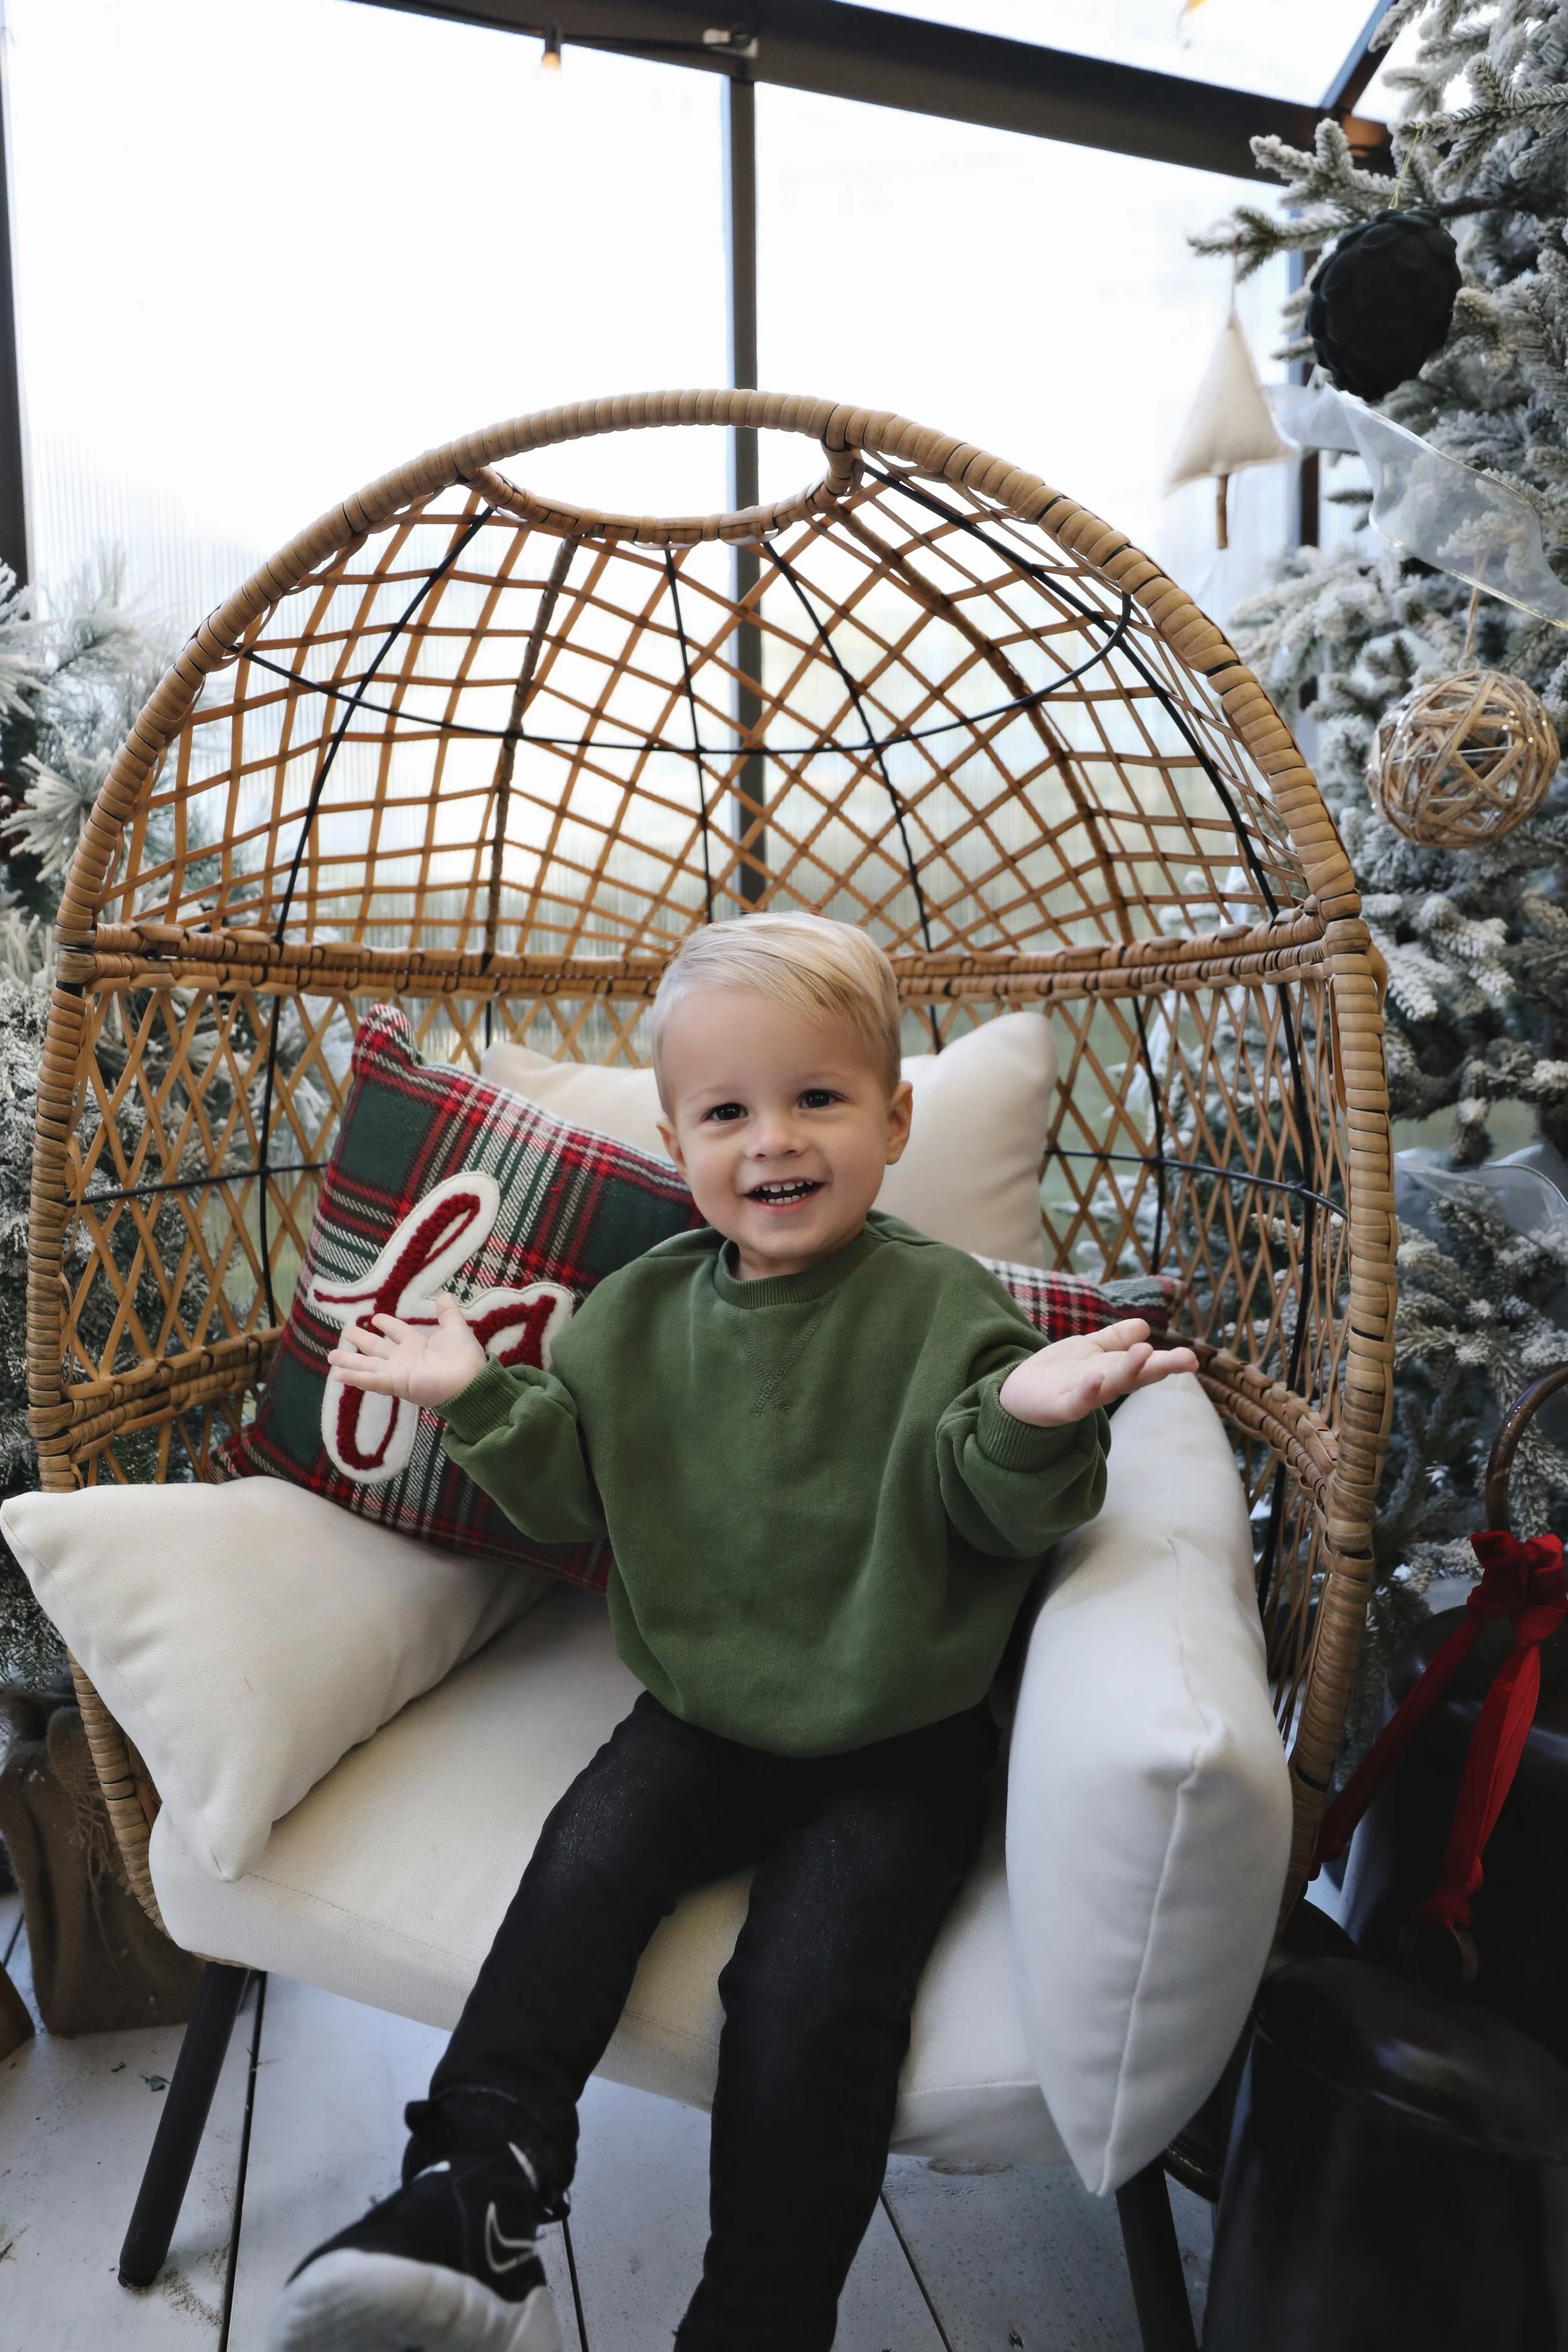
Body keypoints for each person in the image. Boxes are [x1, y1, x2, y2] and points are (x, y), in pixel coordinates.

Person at [268, 913, 1197, 2352]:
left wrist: (1026, 1419)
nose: (774, 1139)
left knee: (812, 1991)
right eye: (727, 1112)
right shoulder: (630, 1320)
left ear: (892, 1119)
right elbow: (576, 1495)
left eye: (817, 1098)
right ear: (674, 1139)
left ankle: (760, 2319)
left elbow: (990, 1506)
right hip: (696, 1718)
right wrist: (474, 1394)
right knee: (579, 1871)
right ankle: (477, 2183)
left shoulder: (943, 1306)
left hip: (902, 1737)